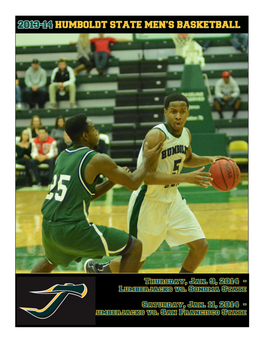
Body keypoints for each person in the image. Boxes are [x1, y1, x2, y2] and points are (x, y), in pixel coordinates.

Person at [85, 93, 234, 274]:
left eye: (182, 111)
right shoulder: (157, 135)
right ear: (165, 113)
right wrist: (185, 178)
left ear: (188, 113)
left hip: (173, 201)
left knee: (200, 246)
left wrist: (208, 159)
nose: (178, 116)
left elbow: (186, 158)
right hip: (148, 203)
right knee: (137, 260)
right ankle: (103, 271)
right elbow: (147, 176)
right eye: (173, 111)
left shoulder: (186, 134)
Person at [31, 114, 162, 273]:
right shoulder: (96, 159)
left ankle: (25, 294)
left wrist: (112, 180)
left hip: (49, 228)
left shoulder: (63, 156)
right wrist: (147, 161)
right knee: (134, 247)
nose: (97, 133)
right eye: (93, 129)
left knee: (49, 262)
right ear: (85, 135)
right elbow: (134, 183)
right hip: (71, 228)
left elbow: (86, 195)